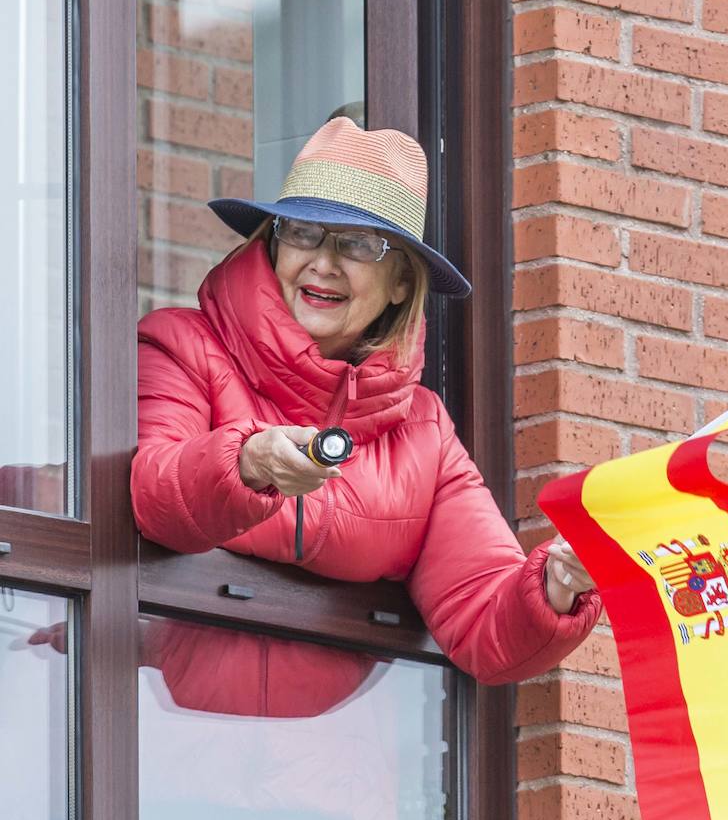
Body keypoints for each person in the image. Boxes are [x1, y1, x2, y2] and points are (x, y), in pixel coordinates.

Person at [131, 117, 599, 689]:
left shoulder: (423, 429)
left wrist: (559, 583)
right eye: (303, 231)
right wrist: (248, 462)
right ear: (273, 244)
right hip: (165, 726)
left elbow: (483, 614)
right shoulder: (180, 344)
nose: (323, 262)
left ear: (402, 281)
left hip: (338, 764)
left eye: (357, 244)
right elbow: (152, 495)